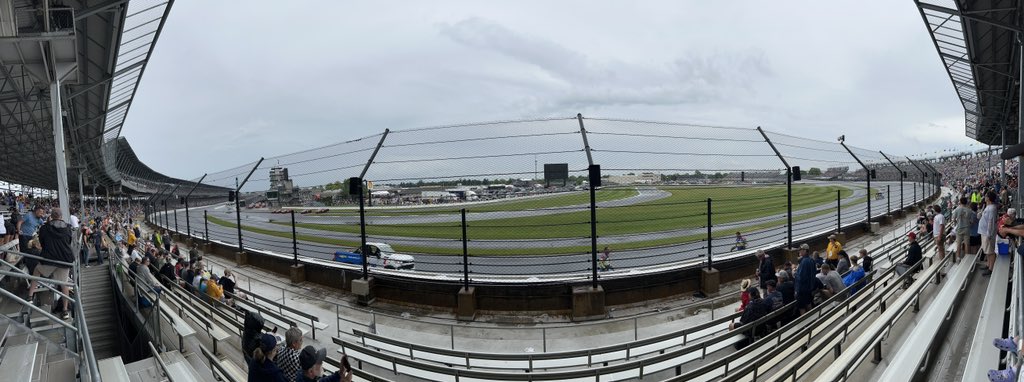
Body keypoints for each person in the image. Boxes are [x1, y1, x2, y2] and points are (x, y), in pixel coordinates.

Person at [30, 209, 74, 318]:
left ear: (51, 216)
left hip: (49, 259)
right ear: (61, 216)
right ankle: (65, 311)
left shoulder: (44, 228)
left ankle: (30, 296)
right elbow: (68, 241)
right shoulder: (68, 228)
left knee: (37, 270)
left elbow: (42, 243)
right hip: (64, 259)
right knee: (64, 284)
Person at [979, 191, 999, 276]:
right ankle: (988, 264)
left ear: (989, 198)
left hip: (987, 233)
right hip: (984, 232)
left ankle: (991, 268)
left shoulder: (992, 208)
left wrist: (989, 234)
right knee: (987, 250)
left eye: (986, 196)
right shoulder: (988, 207)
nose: (985, 197)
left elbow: (991, 221)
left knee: (990, 251)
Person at [794, 244, 817, 315]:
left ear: (805, 251)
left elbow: (801, 277)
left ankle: (805, 325)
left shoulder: (804, 262)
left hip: (802, 289)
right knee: (808, 304)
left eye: (801, 250)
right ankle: (812, 319)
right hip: (809, 288)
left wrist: (794, 273)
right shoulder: (812, 260)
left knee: (802, 308)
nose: (799, 252)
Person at [951, 197, 974, 262]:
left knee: (958, 244)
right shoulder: (969, 210)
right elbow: (972, 221)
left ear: (960, 202)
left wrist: (956, 223)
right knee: (967, 244)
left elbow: (953, 219)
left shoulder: (957, 209)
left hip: (959, 228)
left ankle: (958, 258)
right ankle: (967, 258)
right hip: (967, 228)